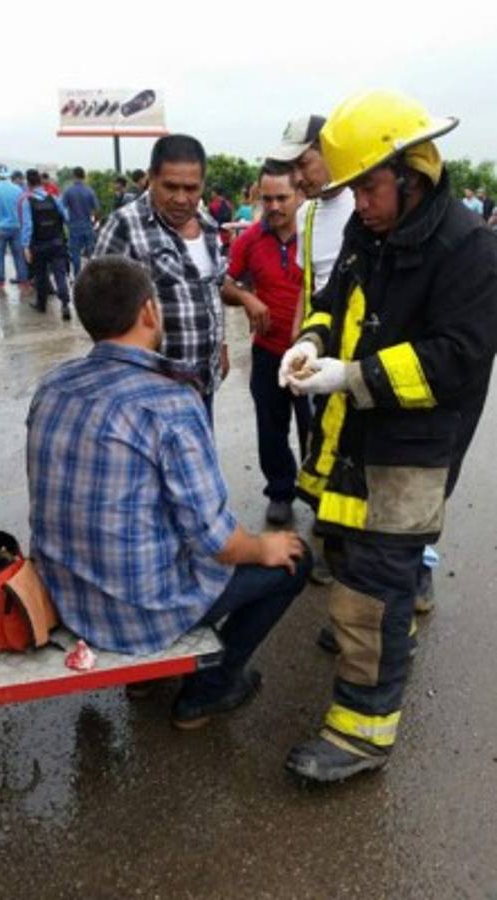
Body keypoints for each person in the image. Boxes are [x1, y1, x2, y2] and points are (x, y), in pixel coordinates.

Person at [279, 89, 497, 783]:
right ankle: (382, 627)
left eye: (368, 187)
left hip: (410, 456)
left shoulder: (471, 251)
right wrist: (311, 344)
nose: (359, 204)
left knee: (370, 593)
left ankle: (361, 736)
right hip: (350, 443)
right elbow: (332, 301)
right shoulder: (368, 233)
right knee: (347, 558)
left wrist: (350, 375)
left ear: (414, 170)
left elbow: (456, 359)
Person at [27, 255, 311, 728]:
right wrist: (265, 546)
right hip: (140, 611)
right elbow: (219, 543)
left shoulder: (53, 385)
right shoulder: (169, 401)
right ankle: (209, 689)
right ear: (149, 312)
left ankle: (146, 675)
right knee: (295, 560)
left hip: (64, 597)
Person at [269, 114, 354, 583]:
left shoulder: (369, 205)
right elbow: (311, 288)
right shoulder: (308, 213)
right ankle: (330, 537)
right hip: (320, 349)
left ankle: (403, 566)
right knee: (319, 442)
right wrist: (298, 343)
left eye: (305, 163)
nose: (300, 178)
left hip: (361, 355)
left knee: (363, 450)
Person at [95, 134, 228, 423]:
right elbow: (99, 311)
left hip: (202, 382)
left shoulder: (207, 226)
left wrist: (221, 347)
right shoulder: (123, 226)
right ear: (151, 178)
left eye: (191, 188)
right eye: (171, 186)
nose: (181, 199)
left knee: (196, 461)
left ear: (203, 184)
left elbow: (212, 291)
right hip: (149, 391)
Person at [223, 162, 308, 525]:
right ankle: (280, 491)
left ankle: (320, 497)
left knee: (317, 429)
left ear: (300, 194)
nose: (274, 206)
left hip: (311, 355)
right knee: (271, 427)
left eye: (282, 198)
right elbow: (224, 283)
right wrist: (247, 298)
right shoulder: (250, 239)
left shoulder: (316, 234)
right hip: (268, 351)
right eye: (267, 198)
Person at [21, 169, 72, 320]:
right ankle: (65, 304)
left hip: (39, 245)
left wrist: (25, 247)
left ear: (29, 184)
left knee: (41, 275)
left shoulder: (27, 202)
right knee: (60, 274)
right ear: (41, 182)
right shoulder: (54, 198)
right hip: (57, 243)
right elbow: (66, 217)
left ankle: (41, 305)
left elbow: (28, 226)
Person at [0, 164, 29, 292]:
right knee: (18, 255)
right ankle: (23, 280)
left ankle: (0, 281)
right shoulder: (18, 189)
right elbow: (22, 208)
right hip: (16, 227)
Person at [63, 166, 99, 275]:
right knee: (91, 253)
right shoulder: (90, 191)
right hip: (88, 225)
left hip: (74, 226)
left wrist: (67, 222)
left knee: (75, 253)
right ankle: (93, 275)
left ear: (73, 176)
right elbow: (96, 208)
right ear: (83, 176)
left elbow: (63, 208)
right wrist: (93, 221)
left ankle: (77, 276)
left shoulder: (68, 191)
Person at [208, 185, 233, 254]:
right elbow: (231, 219)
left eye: (212, 192)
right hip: (228, 236)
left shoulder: (213, 205)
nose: (211, 194)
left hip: (217, 236)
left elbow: (210, 222)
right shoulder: (229, 204)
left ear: (215, 193)